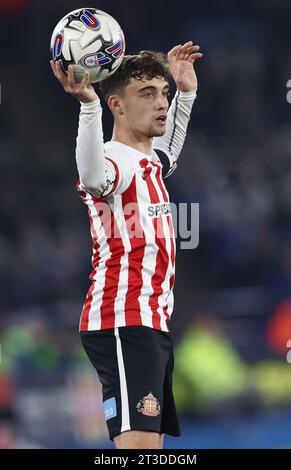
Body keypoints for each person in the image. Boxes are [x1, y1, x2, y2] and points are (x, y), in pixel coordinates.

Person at [50, 40, 202, 449]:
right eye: (147, 94)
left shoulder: (148, 162)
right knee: (138, 451)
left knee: (147, 448)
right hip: (124, 320)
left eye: (163, 94)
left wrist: (185, 91)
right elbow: (95, 175)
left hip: (147, 322)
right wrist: (87, 107)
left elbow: (169, 149)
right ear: (116, 104)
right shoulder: (115, 162)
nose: (161, 104)